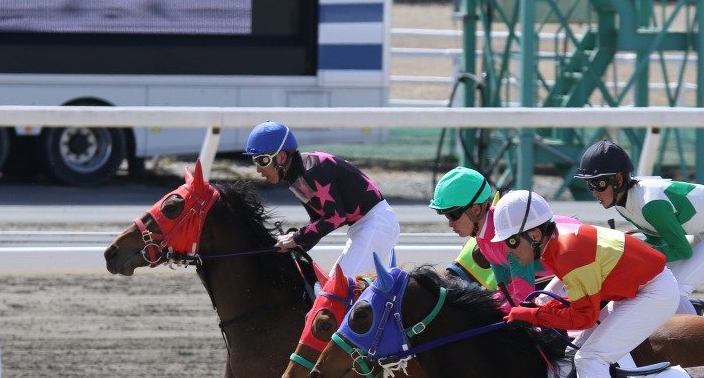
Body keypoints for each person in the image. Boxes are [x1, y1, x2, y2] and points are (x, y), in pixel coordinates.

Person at [492, 190, 679, 378]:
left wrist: (531, 314)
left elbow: (583, 316)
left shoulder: (568, 250)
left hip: (653, 292)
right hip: (630, 287)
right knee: (573, 353)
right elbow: (571, 288)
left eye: (512, 241)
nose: (509, 250)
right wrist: (543, 303)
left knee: (590, 359)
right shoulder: (556, 241)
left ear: (535, 234)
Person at [575, 139, 704, 315]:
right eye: (589, 184)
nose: (594, 191)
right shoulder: (622, 203)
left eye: (598, 183)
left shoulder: (651, 205)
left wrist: (635, 252)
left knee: (676, 289)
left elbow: (682, 250)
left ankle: (698, 340)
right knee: (658, 283)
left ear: (618, 180)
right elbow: (657, 238)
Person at [244, 120, 399, 282]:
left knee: (338, 287)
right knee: (332, 285)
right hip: (365, 227)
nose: (258, 169)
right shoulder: (296, 177)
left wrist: (296, 238)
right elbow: (318, 219)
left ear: (281, 157)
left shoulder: (311, 171)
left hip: (377, 224)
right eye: (254, 161)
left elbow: (335, 217)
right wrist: (298, 245)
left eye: (262, 161)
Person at [429, 165, 578, 305]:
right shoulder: (483, 239)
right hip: (564, 273)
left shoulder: (507, 237)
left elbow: (523, 299)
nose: (450, 224)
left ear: (475, 210)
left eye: (452, 215)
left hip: (583, 264)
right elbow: (505, 292)